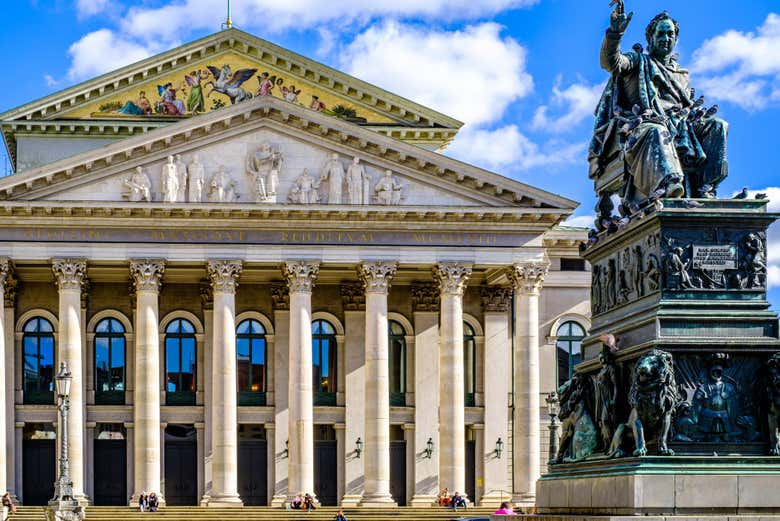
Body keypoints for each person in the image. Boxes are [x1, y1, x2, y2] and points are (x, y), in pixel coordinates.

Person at [590, 6, 728, 204]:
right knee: (656, 130)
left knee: (718, 125)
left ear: (676, 38)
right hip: (643, 124)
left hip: (681, 124)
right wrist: (615, 34)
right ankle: (668, 183)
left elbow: (686, 106)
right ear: (651, 38)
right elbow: (611, 62)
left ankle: (706, 186)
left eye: (670, 34)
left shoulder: (681, 74)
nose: (666, 38)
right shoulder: (637, 62)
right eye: (661, 33)